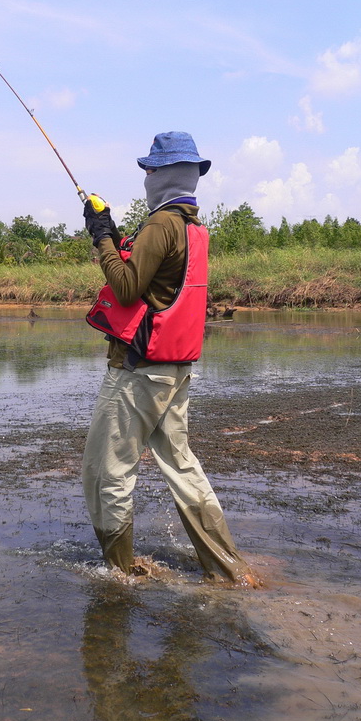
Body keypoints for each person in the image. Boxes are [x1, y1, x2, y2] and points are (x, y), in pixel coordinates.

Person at [82, 131, 257, 586]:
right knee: (181, 465)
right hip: (175, 367)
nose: (145, 178)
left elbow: (125, 288)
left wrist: (101, 235)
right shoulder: (193, 227)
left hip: (139, 370)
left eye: (149, 170)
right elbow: (152, 279)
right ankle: (227, 566)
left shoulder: (161, 225)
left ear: (160, 174)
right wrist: (115, 233)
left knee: (107, 470)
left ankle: (120, 571)